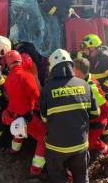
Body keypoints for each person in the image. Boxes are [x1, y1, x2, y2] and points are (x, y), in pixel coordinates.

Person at [40, 49, 100, 183]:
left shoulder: (47, 88)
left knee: (57, 177)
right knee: (81, 177)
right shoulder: (85, 85)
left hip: (56, 147)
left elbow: (44, 118)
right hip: (80, 145)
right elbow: (96, 113)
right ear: (71, 66)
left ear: (52, 69)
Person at [1, 50, 47, 177]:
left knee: (19, 129)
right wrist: (44, 105)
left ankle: (14, 149)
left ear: (8, 64)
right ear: (20, 61)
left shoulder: (8, 78)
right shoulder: (26, 76)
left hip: (14, 114)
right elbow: (37, 96)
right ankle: (36, 168)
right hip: (27, 116)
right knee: (44, 137)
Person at [73, 58, 108, 166]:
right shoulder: (87, 78)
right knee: (96, 142)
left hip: (98, 122)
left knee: (83, 148)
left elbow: (107, 109)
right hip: (94, 120)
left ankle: (71, 175)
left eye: (73, 71)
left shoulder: (91, 88)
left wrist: (96, 119)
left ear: (79, 74)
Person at [81, 34, 108, 143]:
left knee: (105, 115)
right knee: (94, 114)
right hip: (93, 92)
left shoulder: (107, 58)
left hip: (105, 92)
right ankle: (95, 135)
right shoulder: (88, 56)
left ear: (94, 48)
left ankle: (105, 138)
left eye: (86, 48)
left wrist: (102, 91)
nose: (84, 50)